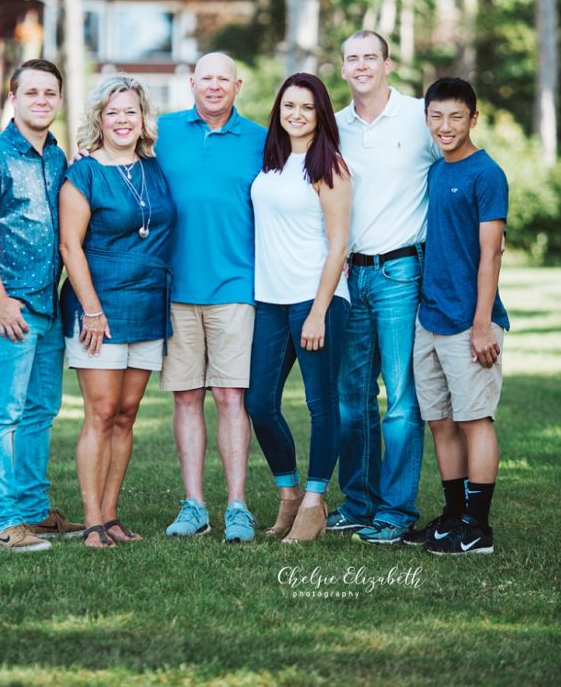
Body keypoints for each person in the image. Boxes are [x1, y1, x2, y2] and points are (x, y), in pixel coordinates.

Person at [0, 59, 84, 553]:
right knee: (4, 413)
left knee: (40, 411)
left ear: (58, 99)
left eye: (50, 92)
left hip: (46, 306)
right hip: (5, 304)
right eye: (31, 92)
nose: (41, 100)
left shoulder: (56, 158)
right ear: (13, 98)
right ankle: (5, 522)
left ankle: (34, 511)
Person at [328, 29, 441, 545]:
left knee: (400, 400)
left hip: (401, 273)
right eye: (352, 59)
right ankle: (358, 501)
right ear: (343, 67)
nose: (361, 66)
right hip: (351, 276)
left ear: (388, 64)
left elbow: (459, 168)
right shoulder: (335, 126)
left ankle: (396, 511)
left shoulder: (420, 117)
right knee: (352, 397)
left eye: (370, 57)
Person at [59, 75, 176, 549]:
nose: (122, 120)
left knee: (127, 415)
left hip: (149, 304)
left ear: (142, 117)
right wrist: (91, 309)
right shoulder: (83, 173)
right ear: (99, 119)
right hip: (99, 308)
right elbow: (71, 246)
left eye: (130, 111)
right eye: (113, 112)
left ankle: (111, 516)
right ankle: (91, 522)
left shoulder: (156, 167)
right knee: (101, 412)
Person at [155, 52, 266, 543]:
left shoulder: (263, 140)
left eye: (224, 79)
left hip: (236, 285)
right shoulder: (161, 131)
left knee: (229, 396)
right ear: (192, 82)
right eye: (206, 78)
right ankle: (194, 504)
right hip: (174, 286)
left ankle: (237, 506)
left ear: (237, 85)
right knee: (185, 396)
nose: (215, 86)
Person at [404, 78, 509, 555]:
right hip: (430, 317)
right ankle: (452, 517)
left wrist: (482, 323)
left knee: (475, 420)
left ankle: (478, 528)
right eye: (436, 117)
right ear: (427, 119)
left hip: (471, 322)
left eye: (455, 117)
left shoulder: (486, 174)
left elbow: (492, 254)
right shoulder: (434, 170)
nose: (445, 127)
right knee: (441, 423)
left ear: (473, 118)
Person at [246, 74, 352, 543]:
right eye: (289, 105)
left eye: (307, 107)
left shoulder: (330, 167)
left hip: (316, 300)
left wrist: (318, 311)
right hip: (270, 299)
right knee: (259, 403)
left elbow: (338, 246)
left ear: (320, 114)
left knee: (321, 404)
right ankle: (288, 492)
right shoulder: (270, 163)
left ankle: (314, 501)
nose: (296, 114)